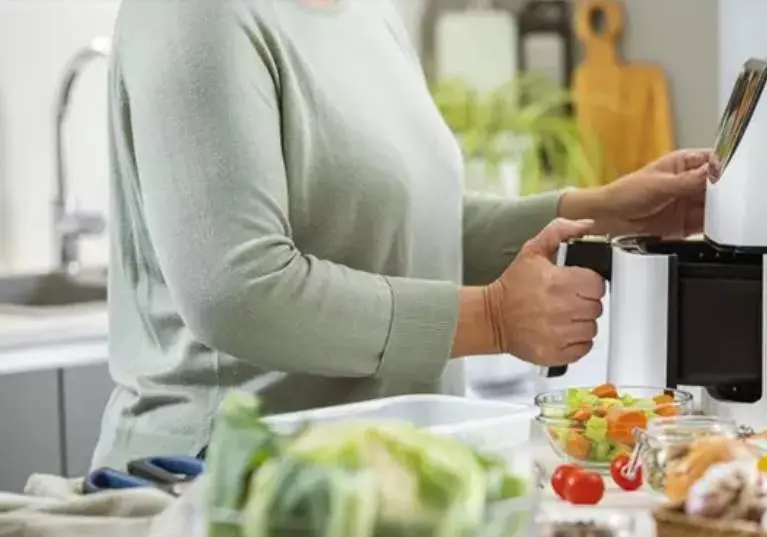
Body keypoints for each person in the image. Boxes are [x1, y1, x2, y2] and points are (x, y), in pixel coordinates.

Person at [91, 0, 715, 468]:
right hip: (224, 484)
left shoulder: (367, 11)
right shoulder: (194, 13)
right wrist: (491, 319)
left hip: (374, 475)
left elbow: (412, 222)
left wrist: (607, 213)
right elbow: (240, 291)